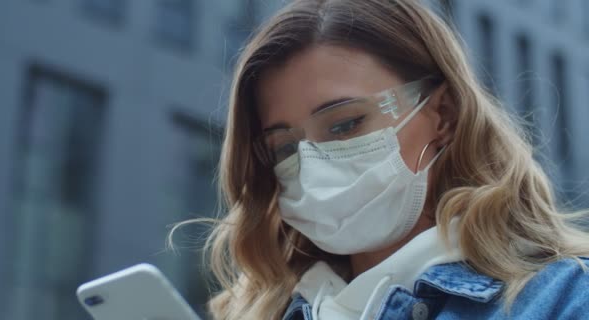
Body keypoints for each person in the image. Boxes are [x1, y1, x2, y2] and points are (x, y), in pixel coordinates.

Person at [173, 0, 589, 319]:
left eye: (345, 124)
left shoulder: (566, 298)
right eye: (285, 147)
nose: (313, 166)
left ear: (443, 114)